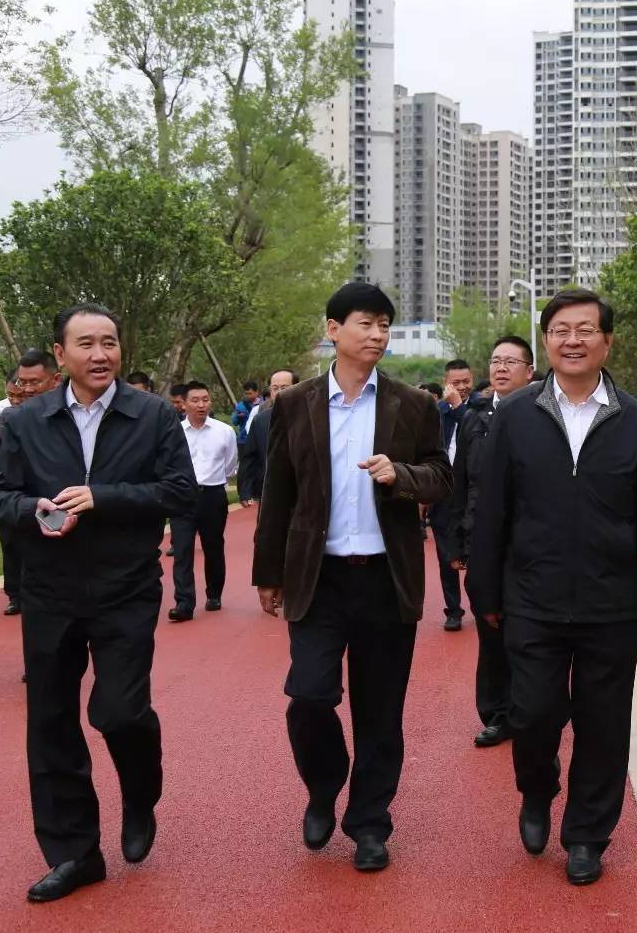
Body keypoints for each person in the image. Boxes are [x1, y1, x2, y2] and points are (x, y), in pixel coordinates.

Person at [0, 304, 196, 904]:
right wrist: (34, 512)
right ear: (59, 355)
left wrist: (101, 498)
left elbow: (180, 492)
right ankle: (75, 853)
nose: (100, 354)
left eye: (109, 342)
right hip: (49, 591)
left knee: (119, 712)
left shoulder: (152, 414)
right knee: (50, 723)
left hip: (125, 588)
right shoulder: (26, 423)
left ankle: (139, 792)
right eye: (86, 344)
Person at [467, 290, 637, 887]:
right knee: (532, 713)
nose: (573, 340)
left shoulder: (633, 418)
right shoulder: (515, 415)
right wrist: (486, 594)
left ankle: (587, 835)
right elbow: (493, 512)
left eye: (586, 330)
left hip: (608, 602)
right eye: (560, 330)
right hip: (531, 597)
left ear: (607, 342)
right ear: (546, 342)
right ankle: (537, 790)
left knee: (604, 724)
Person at [252, 282, 451, 873]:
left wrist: (402, 476)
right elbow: (278, 495)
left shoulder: (412, 405)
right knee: (309, 696)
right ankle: (323, 785)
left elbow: (442, 476)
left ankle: (369, 823)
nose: (378, 335)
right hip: (320, 577)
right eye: (366, 323)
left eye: (386, 325)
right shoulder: (294, 405)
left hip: (386, 580)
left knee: (380, 711)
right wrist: (269, 572)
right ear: (333, 329)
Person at [447, 336, 535, 748]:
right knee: (490, 629)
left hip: (532, 545)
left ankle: (533, 706)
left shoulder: (542, 415)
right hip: (484, 542)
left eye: (511, 362)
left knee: (533, 632)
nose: (500, 368)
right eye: (495, 361)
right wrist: (458, 545)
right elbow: (460, 484)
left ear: (530, 371)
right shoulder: (474, 418)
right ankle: (497, 713)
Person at [0, 351, 61, 617]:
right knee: (12, 547)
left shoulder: (68, 413)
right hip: (17, 500)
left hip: (56, 501)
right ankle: (16, 594)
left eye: (33, 382)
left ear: (55, 380)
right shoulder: (9, 416)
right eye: (21, 383)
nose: (25, 389)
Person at [168, 381, 237, 620]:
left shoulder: (224, 431)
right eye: (195, 400)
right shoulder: (174, 432)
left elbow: (230, 465)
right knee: (182, 550)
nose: (201, 405)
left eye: (205, 399)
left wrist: (216, 480)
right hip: (183, 496)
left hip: (213, 496)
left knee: (213, 547)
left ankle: (214, 594)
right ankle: (184, 603)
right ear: (184, 404)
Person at [429, 358, 474, 631]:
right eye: (455, 382)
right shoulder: (436, 412)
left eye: (466, 381)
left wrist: (459, 407)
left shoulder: (482, 409)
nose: (462, 387)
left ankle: (483, 604)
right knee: (446, 556)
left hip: (474, 493)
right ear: (446, 382)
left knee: (478, 554)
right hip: (445, 493)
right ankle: (453, 609)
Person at [237, 369, 298, 506]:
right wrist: (245, 490)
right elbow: (249, 458)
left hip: (303, 493)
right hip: (269, 491)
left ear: (297, 388)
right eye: (275, 388)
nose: (279, 392)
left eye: (284, 388)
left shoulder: (310, 416)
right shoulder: (260, 420)